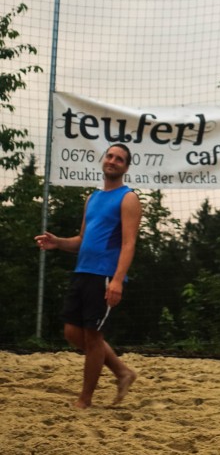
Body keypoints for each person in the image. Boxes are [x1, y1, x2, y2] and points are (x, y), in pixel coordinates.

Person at [35, 143, 142, 409]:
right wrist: (58, 242)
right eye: (110, 156)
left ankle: (85, 400)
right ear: (104, 160)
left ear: (126, 167)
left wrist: (117, 280)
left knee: (94, 337)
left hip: (104, 275)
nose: (113, 161)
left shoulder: (128, 198)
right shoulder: (92, 198)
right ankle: (122, 372)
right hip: (82, 271)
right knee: (72, 332)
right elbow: (82, 240)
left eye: (119, 159)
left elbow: (129, 243)